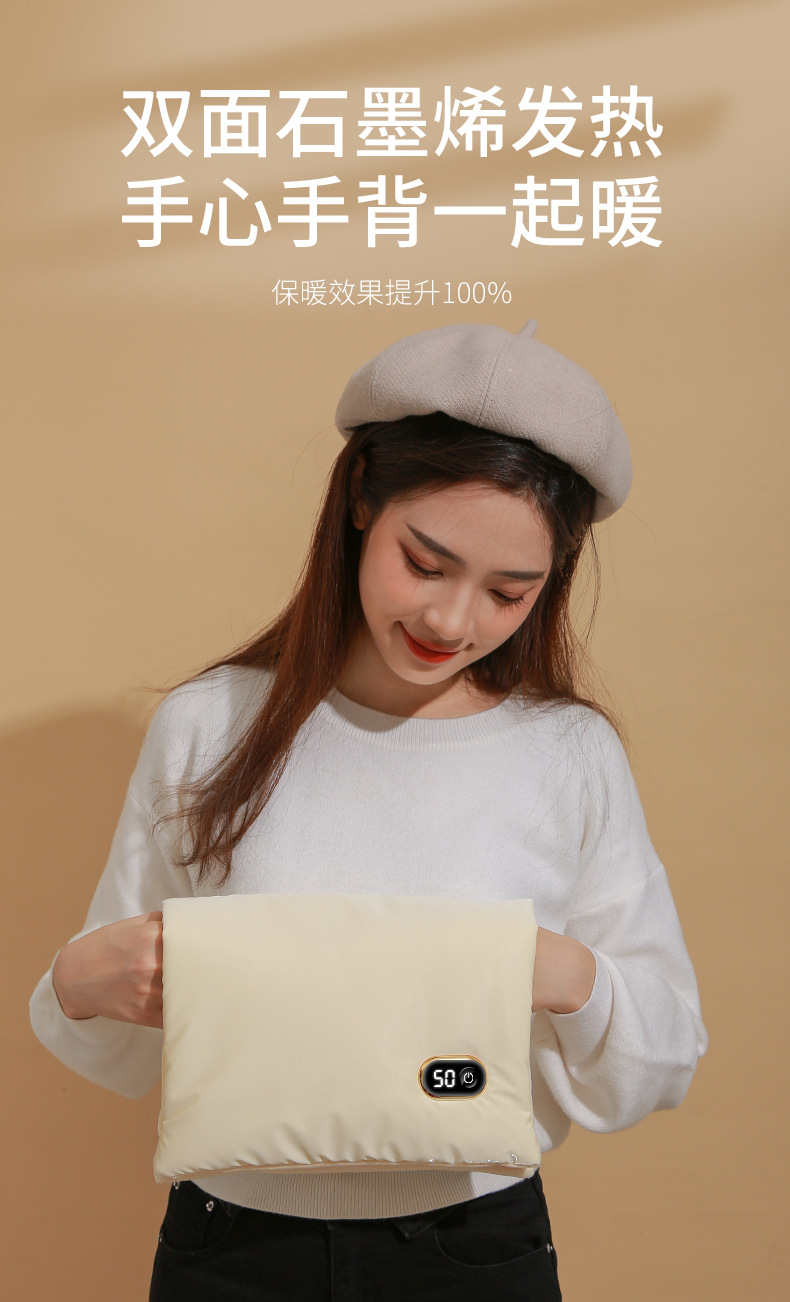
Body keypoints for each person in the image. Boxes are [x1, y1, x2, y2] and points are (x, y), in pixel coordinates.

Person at [29, 319, 708, 1301]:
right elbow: (118, 1035)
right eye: (424, 563)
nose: (451, 620)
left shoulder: (568, 753)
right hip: (231, 1251)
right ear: (358, 500)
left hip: (474, 1249)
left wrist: (561, 972)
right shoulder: (209, 724)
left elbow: (663, 1055)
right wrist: (75, 981)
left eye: (509, 592)